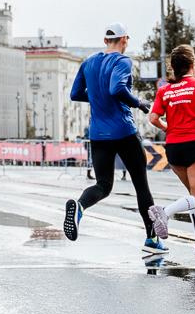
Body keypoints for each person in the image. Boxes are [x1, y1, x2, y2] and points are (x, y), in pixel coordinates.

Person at [63, 23, 160, 252]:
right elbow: (117, 88)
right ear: (124, 39)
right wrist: (140, 103)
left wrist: (97, 98)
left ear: (106, 40)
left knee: (103, 185)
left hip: (98, 134)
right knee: (141, 186)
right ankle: (152, 239)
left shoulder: (88, 62)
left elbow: (75, 94)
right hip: (124, 131)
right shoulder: (122, 61)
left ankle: (79, 206)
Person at [145, 44, 195, 256]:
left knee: (193, 196)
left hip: (173, 148)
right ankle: (165, 212)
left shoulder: (165, 90)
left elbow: (153, 118)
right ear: (192, 64)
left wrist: (167, 127)